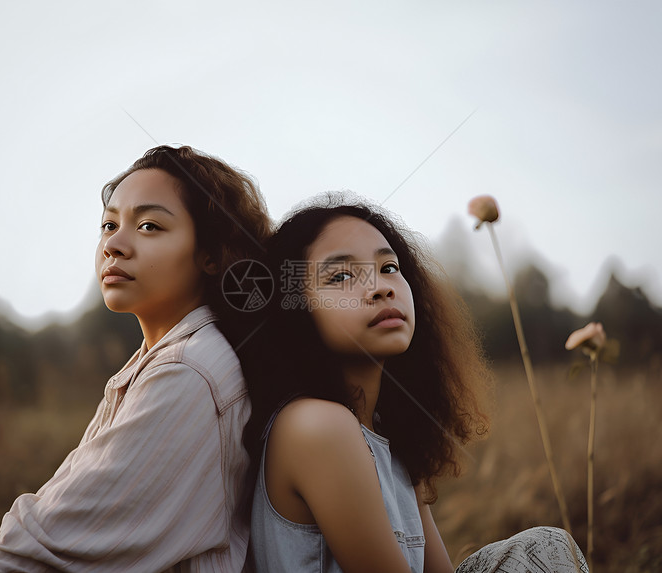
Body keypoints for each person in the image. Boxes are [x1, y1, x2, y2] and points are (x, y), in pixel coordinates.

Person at [0, 145, 271, 572]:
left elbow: (54, 547)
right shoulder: (162, 360)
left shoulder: (189, 372)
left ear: (210, 253)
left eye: (149, 226)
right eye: (108, 225)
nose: (113, 245)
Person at [243, 194, 588, 572]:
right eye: (340, 276)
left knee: (544, 547)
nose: (380, 288)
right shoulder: (315, 426)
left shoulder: (387, 435)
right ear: (296, 308)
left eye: (389, 267)